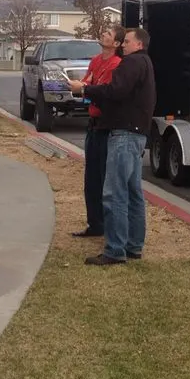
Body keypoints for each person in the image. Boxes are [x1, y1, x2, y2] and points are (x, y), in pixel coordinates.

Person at [67, 28, 155, 265]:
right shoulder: (143, 63)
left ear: (138, 44)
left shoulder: (130, 64)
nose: (122, 45)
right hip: (136, 134)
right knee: (133, 192)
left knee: (115, 192)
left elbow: (115, 91)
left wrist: (85, 89)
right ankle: (133, 246)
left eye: (126, 41)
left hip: (124, 134)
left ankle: (115, 250)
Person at [72, 26, 124, 238]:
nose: (104, 35)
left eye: (109, 35)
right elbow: (88, 82)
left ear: (117, 44)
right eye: (104, 33)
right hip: (92, 123)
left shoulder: (117, 65)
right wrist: (82, 87)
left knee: (105, 177)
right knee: (91, 178)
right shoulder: (95, 60)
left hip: (106, 125)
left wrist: (86, 89)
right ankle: (94, 224)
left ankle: (107, 225)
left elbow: (102, 91)